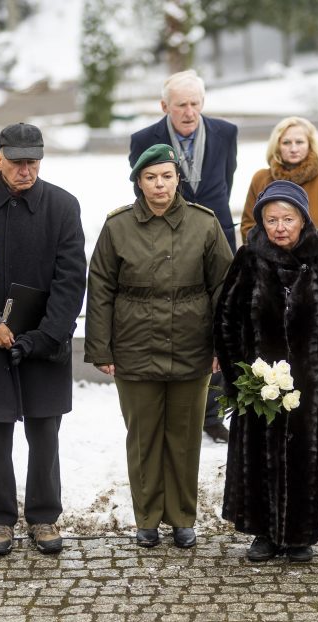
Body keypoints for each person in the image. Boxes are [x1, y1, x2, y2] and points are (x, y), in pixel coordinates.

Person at [0, 123, 86, 557]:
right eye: (18, 161)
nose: (26, 170)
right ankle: (0, 520)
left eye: (33, 162)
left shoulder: (62, 205)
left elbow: (71, 277)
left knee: (45, 431)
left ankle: (44, 516)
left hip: (44, 339)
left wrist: (47, 335)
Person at [85, 144, 233, 549]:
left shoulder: (205, 224)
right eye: (150, 177)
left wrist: (224, 344)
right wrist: (101, 348)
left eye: (166, 176)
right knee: (144, 435)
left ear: (177, 178)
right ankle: (147, 518)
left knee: (184, 436)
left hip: (192, 343)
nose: (159, 184)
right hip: (135, 344)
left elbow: (224, 286)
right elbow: (99, 286)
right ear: (138, 182)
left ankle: (183, 517)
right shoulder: (117, 227)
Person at [215, 180, 318, 563]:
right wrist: (235, 378)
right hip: (258, 384)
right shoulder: (248, 258)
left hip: (313, 384)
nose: (280, 227)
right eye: (271, 219)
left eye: (288, 218)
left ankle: (300, 536)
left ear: (303, 219)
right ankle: (263, 533)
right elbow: (226, 319)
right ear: (261, 222)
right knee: (260, 458)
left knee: (307, 460)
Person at [129, 70, 238, 443]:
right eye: (181, 105)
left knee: (220, 317)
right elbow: (141, 192)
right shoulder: (143, 140)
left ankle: (213, 412)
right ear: (165, 107)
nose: (189, 112)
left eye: (195, 104)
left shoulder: (226, 133)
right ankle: (175, 407)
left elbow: (227, 177)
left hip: (217, 234)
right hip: (165, 241)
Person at [239, 116, 318, 242]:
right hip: (271, 260)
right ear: (277, 145)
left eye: (299, 142)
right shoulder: (261, 179)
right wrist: (272, 255)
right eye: (286, 142)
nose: (293, 149)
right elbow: (248, 226)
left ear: (311, 144)